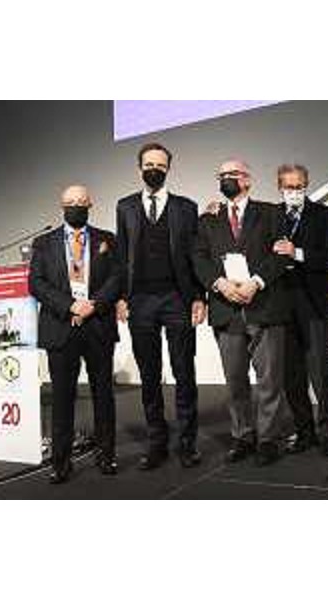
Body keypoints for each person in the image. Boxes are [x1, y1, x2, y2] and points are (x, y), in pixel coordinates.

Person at [193, 159, 291, 466]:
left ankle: (268, 439)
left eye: (232, 174)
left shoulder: (272, 213)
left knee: (269, 379)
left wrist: (256, 283)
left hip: (264, 305)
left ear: (247, 180)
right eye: (221, 175)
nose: (226, 179)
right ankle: (242, 435)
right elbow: (198, 258)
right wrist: (219, 284)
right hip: (226, 310)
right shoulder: (208, 219)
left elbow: (281, 256)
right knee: (234, 380)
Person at [115, 143, 206, 470]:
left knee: (184, 372)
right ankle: (157, 442)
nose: (154, 169)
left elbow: (195, 256)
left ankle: (187, 442)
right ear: (139, 168)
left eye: (160, 165)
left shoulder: (186, 207)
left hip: (177, 298)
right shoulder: (125, 207)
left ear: (168, 169)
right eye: (149, 164)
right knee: (149, 375)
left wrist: (198, 296)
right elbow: (121, 255)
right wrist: (121, 297)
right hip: (139, 300)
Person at [29, 185, 123, 483]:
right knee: (62, 398)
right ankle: (61, 462)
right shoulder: (43, 243)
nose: (76, 206)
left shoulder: (108, 239)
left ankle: (106, 455)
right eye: (71, 202)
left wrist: (93, 305)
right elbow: (37, 283)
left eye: (81, 201)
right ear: (62, 206)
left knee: (103, 394)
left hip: (98, 325)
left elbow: (118, 277)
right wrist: (70, 305)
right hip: (61, 327)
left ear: (90, 204)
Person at [273, 164, 328, 457]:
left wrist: (297, 253)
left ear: (307, 185)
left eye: (299, 186)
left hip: (314, 303)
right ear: (280, 188)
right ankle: (304, 431)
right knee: (291, 374)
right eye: (289, 187)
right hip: (280, 304)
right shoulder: (270, 215)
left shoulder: (325, 215)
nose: (294, 191)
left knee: (320, 370)